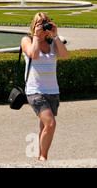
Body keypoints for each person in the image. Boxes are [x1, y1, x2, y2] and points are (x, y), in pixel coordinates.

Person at [21, 13, 68, 161]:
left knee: (44, 127)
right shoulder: (27, 40)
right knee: (51, 123)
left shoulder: (52, 43)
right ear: (34, 25)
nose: (44, 26)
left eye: (46, 23)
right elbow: (34, 55)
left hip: (53, 90)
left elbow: (65, 55)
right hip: (35, 91)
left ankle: (40, 157)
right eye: (40, 23)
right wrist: (36, 36)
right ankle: (43, 158)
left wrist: (55, 36)